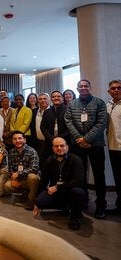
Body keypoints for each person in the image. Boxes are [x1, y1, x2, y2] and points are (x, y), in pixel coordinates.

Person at [65, 79, 107, 219]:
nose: (83, 88)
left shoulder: (99, 102)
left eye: (86, 86)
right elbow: (69, 121)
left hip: (95, 145)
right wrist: (80, 139)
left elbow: (102, 123)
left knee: (99, 175)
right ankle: (82, 201)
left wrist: (87, 139)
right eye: (80, 86)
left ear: (90, 87)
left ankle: (101, 205)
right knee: (79, 175)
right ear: (77, 89)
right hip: (77, 145)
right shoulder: (72, 104)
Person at [34, 137, 86, 230]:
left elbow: (78, 181)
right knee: (40, 202)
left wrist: (58, 187)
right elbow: (43, 181)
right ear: (53, 148)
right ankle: (64, 206)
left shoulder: (76, 160)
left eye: (62, 146)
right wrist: (36, 202)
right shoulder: (49, 160)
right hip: (57, 192)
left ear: (67, 147)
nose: (59, 148)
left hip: (71, 191)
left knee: (78, 192)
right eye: (56, 146)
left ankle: (75, 218)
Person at [4, 131, 40, 210]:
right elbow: (10, 168)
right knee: (7, 185)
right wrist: (13, 178)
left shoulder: (32, 151)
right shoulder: (11, 152)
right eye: (15, 139)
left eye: (20, 138)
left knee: (32, 177)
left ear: (24, 140)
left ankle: (32, 199)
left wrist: (18, 173)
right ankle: (25, 192)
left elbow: (34, 168)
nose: (17, 141)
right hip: (20, 179)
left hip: (31, 179)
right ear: (12, 141)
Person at [106, 79, 121, 214]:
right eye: (113, 88)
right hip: (113, 147)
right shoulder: (108, 105)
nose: (116, 90)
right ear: (109, 91)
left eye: (119, 88)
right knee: (118, 178)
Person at [29, 92, 50, 169]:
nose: (42, 100)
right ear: (38, 101)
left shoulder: (53, 111)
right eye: (40, 99)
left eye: (45, 98)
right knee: (39, 164)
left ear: (48, 100)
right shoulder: (34, 111)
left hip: (50, 143)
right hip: (37, 143)